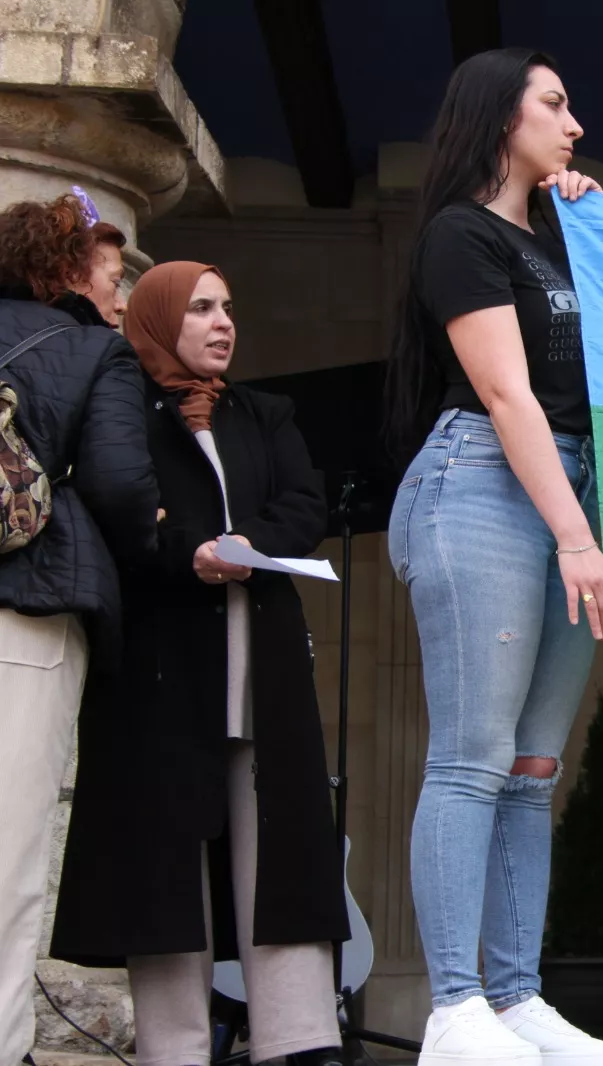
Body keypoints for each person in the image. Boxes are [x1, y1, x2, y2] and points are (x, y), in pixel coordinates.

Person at [383, 48, 603, 1066]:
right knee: (472, 756)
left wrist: (597, 227)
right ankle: (454, 1006)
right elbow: (506, 392)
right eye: (554, 105)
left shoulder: (557, 237)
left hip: (568, 484)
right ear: (499, 116)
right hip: (483, 482)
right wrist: (576, 537)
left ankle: (516, 998)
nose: (574, 125)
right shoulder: (459, 234)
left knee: (532, 767)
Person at [49, 262, 348, 1066]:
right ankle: (173, 1047)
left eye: (229, 307)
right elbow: (121, 519)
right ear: (158, 319)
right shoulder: (124, 415)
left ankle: (300, 1037)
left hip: (261, 663)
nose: (224, 323)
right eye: (203, 308)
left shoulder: (264, 412)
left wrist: (243, 544)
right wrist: (191, 552)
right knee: (164, 859)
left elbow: (304, 505)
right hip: (162, 669)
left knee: (278, 848)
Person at [0, 193, 157, 1066]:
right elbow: (121, 486)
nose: (121, 296)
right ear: (64, 272)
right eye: (111, 275)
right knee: (8, 855)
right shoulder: (95, 350)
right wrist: (150, 543)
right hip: (25, 614)